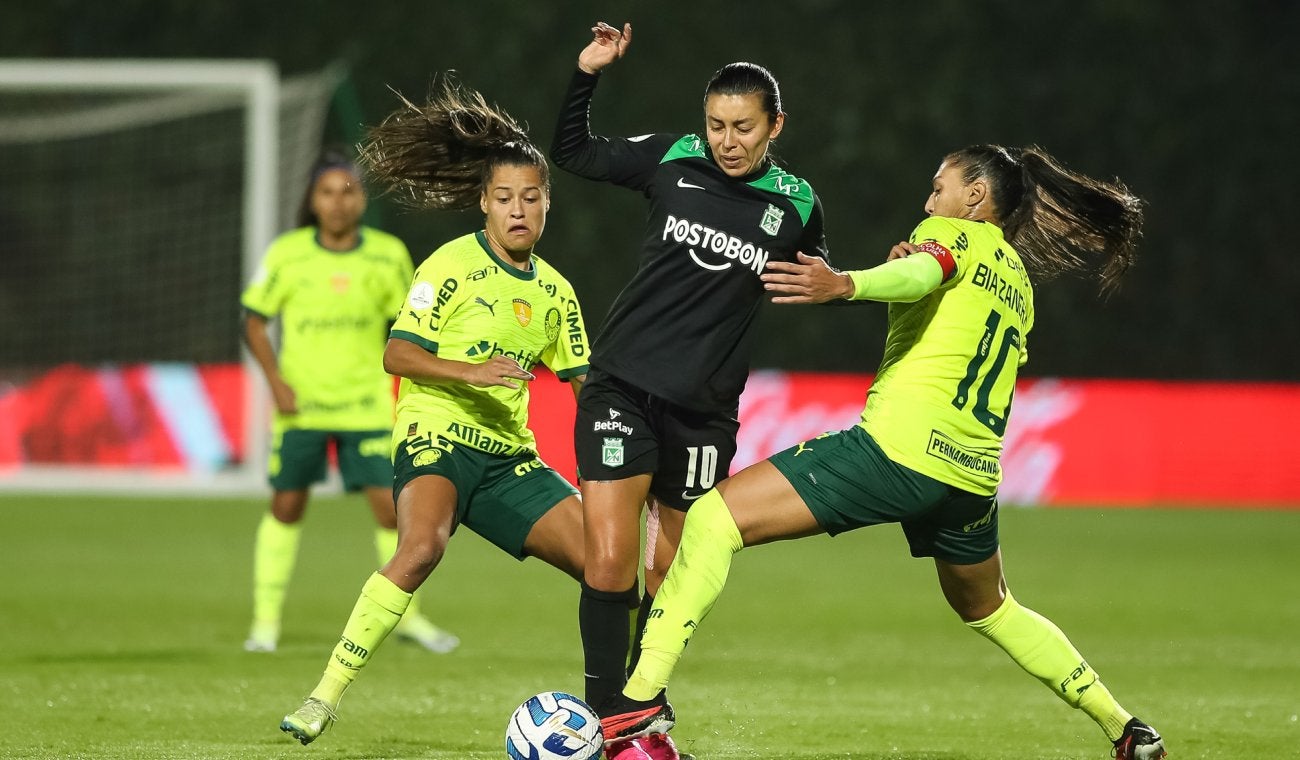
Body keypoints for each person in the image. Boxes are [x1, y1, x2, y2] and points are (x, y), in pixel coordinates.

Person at [600, 144, 1168, 760]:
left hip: (898, 452)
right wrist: (905, 283)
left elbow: (925, 273)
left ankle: (638, 702)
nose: (929, 201)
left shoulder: (949, 233)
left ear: (974, 197)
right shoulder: (1018, 284)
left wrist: (847, 283)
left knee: (713, 517)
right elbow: (934, 307)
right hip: (971, 477)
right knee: (991, 608)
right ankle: (1126, 728)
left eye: (939, 186)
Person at [278, 78, 592, 746]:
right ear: (483, 203)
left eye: (530, 198)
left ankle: (628, 711)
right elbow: (397, 354)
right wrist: (468, 371)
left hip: (510, 458)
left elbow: (585, 385)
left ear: (546, 206)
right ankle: (321, 698)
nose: (517, 210)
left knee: (610, 565)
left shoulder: (558, 294)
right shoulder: (450, 265)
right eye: (504, 198)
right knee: (421, 546)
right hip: (436, 436)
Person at [551, 23, 833, 757]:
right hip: (621, 385)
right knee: (610, 558)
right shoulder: (671, 159)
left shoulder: (797, 204)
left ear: (776, 124)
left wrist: (840, 287)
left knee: (667, 569)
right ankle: (604, 716)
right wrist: (588, 74)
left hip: (705, 412)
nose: (726, 140)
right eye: (716, 124)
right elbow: (575, 152)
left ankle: (639, 707)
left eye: (743, 126)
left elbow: (817, 277)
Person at [241, 151, 458, 655]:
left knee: (392, 513)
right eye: (327, 192)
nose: (338, 202)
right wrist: (275, 381)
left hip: (366, 406)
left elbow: (411, 327)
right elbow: (253, 319)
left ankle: (410, 618)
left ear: (362, 199)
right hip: (304, 407)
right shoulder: (288, 254)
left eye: (349, 191)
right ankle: (265, 623)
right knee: (286, 506)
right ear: (312, 201)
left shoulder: (386, 255)